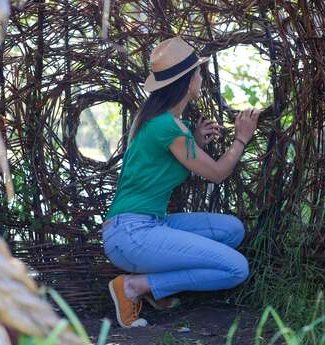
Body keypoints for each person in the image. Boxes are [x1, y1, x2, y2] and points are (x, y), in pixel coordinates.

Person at [102, 36, 260, 328]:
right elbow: (216, 173)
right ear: (188, 82)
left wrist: (195, 140)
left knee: (232, 231)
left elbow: (165, 160)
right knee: (237, 268)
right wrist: (241, 138)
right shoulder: (166, 126)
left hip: (149, 224)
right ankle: (133, 287)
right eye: (199, 72)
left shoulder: (165, 122)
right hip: (130, 234)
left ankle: (152, 286)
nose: (202, 77)